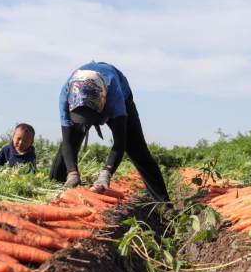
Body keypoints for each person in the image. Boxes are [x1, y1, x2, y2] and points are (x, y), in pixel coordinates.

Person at [50, 61, 170, 203]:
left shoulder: (115, 98)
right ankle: (55, 191)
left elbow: (120, 143)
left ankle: (164, 204)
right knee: (69, 144)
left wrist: (106, 173)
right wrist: (72, 172)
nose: (86, 124)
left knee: (137, 151)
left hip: (118, 96)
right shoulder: (66, 95)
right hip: (84, 99)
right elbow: (67, 142)